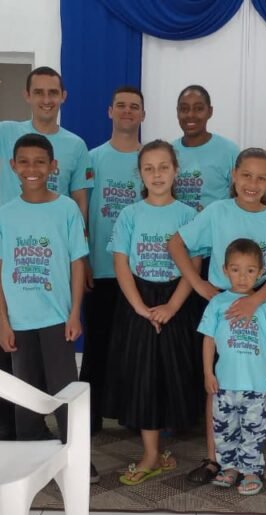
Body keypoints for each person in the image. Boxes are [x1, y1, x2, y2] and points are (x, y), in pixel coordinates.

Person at [0, 61, 93, 440]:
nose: (46, 99)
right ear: (27, 95)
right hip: (11, 256)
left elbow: (80, 202)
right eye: (38, 92)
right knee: (11, 348)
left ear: (63, 97)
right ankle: (13, 427)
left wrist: (82, 257)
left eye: (53, 92)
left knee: (58, 360)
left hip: (55, 261)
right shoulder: (6, 132)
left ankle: (67, 437)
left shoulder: (75, 145)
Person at [168, 147, 266, 484]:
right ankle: (216, 459)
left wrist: (255, 301)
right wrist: (199, 284)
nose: (252, 183)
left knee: (252, 391)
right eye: (246, 175)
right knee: (219, 384)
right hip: (221, 306)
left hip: (260, 306)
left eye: (261, 178)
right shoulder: (217, 211)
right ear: (234, 176)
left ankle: (249, 464)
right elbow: (176, 244)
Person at [0, 134, 97, 482]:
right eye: (24, 162)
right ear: (13, 166)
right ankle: (31, 454)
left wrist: (74, 313)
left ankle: (76, 455)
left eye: (40, 162)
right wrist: (3, 321)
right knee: (26, 391)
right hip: (19, 320)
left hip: (56, 318)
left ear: (53, 167)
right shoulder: (5, 214)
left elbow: (77, 263)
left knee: (65, 389)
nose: (31, 169)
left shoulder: (66, 209)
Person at [103, 140, 203, 485]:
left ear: (176, 171)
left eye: (163, 167)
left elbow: (194, 265)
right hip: (139, 302)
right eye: (149, 168)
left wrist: (173, 305)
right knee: (142, 377)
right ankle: (150, 453)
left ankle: (163, 448)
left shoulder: (188, 215)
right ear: (140, 174)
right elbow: (121, 263)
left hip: (177, 301)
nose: (157, 174)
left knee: (173, 375)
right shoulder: (130, 215)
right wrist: (139, 308)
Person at [79, 86, 145, 435]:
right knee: (97, 346)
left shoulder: (151, 160)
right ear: (109, 111)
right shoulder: (92, 158)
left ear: (143, 115)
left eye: (134, 106)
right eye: (121, 105)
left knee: (136, 349)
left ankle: (133, 415)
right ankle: (88, 418)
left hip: (141, 273)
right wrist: (83, 260)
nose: (127, 111)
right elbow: (81, 213)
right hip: (101, 268)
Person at [199, 239, 266, 496]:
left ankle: (251, 471)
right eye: (236, 270)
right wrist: (208, 372)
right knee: (224, 429)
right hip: (225, 382)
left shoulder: (264, 306)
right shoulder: (217, 304)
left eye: (250, 270)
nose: (243, 277)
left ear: (261, 272)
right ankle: (229, 468)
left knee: (253, 430)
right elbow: (208, 340)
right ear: (225, 270)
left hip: (255, 384)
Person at [172, 85, 240, 213]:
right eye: (184, 109)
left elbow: (241, 197)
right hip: (178, 225)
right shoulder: (168, 152)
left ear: (210, 111)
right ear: (177, 112)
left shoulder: (229, 151)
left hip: (217, 224)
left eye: (198, 109)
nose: (190, 115)